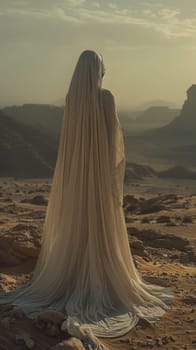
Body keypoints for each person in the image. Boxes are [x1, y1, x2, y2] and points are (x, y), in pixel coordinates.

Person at [0, 50, 173, 349]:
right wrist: (109, 181)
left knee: (77, 226)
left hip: (75, 182)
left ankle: (72, 274)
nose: (104, 74)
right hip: (97, 180)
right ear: (97, 71)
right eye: (103, 70)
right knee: (99, 227)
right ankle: (98, 279)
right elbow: (113, 144)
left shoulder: (73, 100)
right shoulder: (105, 98)